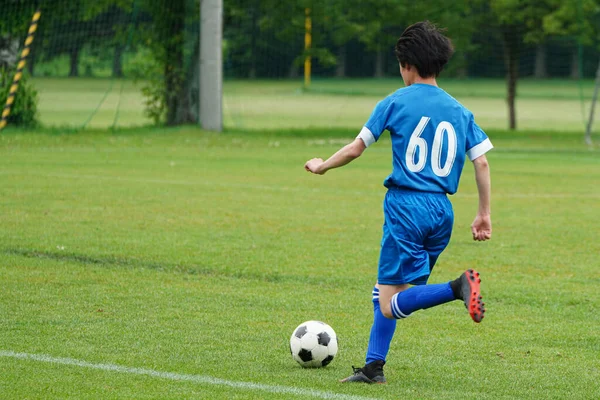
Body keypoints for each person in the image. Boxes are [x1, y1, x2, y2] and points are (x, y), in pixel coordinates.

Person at [304, 21, 493, 384]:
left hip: (406, 208)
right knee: (389, 293)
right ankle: (373, 368)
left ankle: (459, 287)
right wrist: (483, 213)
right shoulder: (460, 110)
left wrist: (323, 165)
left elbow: (357, 148)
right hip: (442, 212)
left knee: (392, 301)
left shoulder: (394, 101)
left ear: (407, 65)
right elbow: (481, 161)